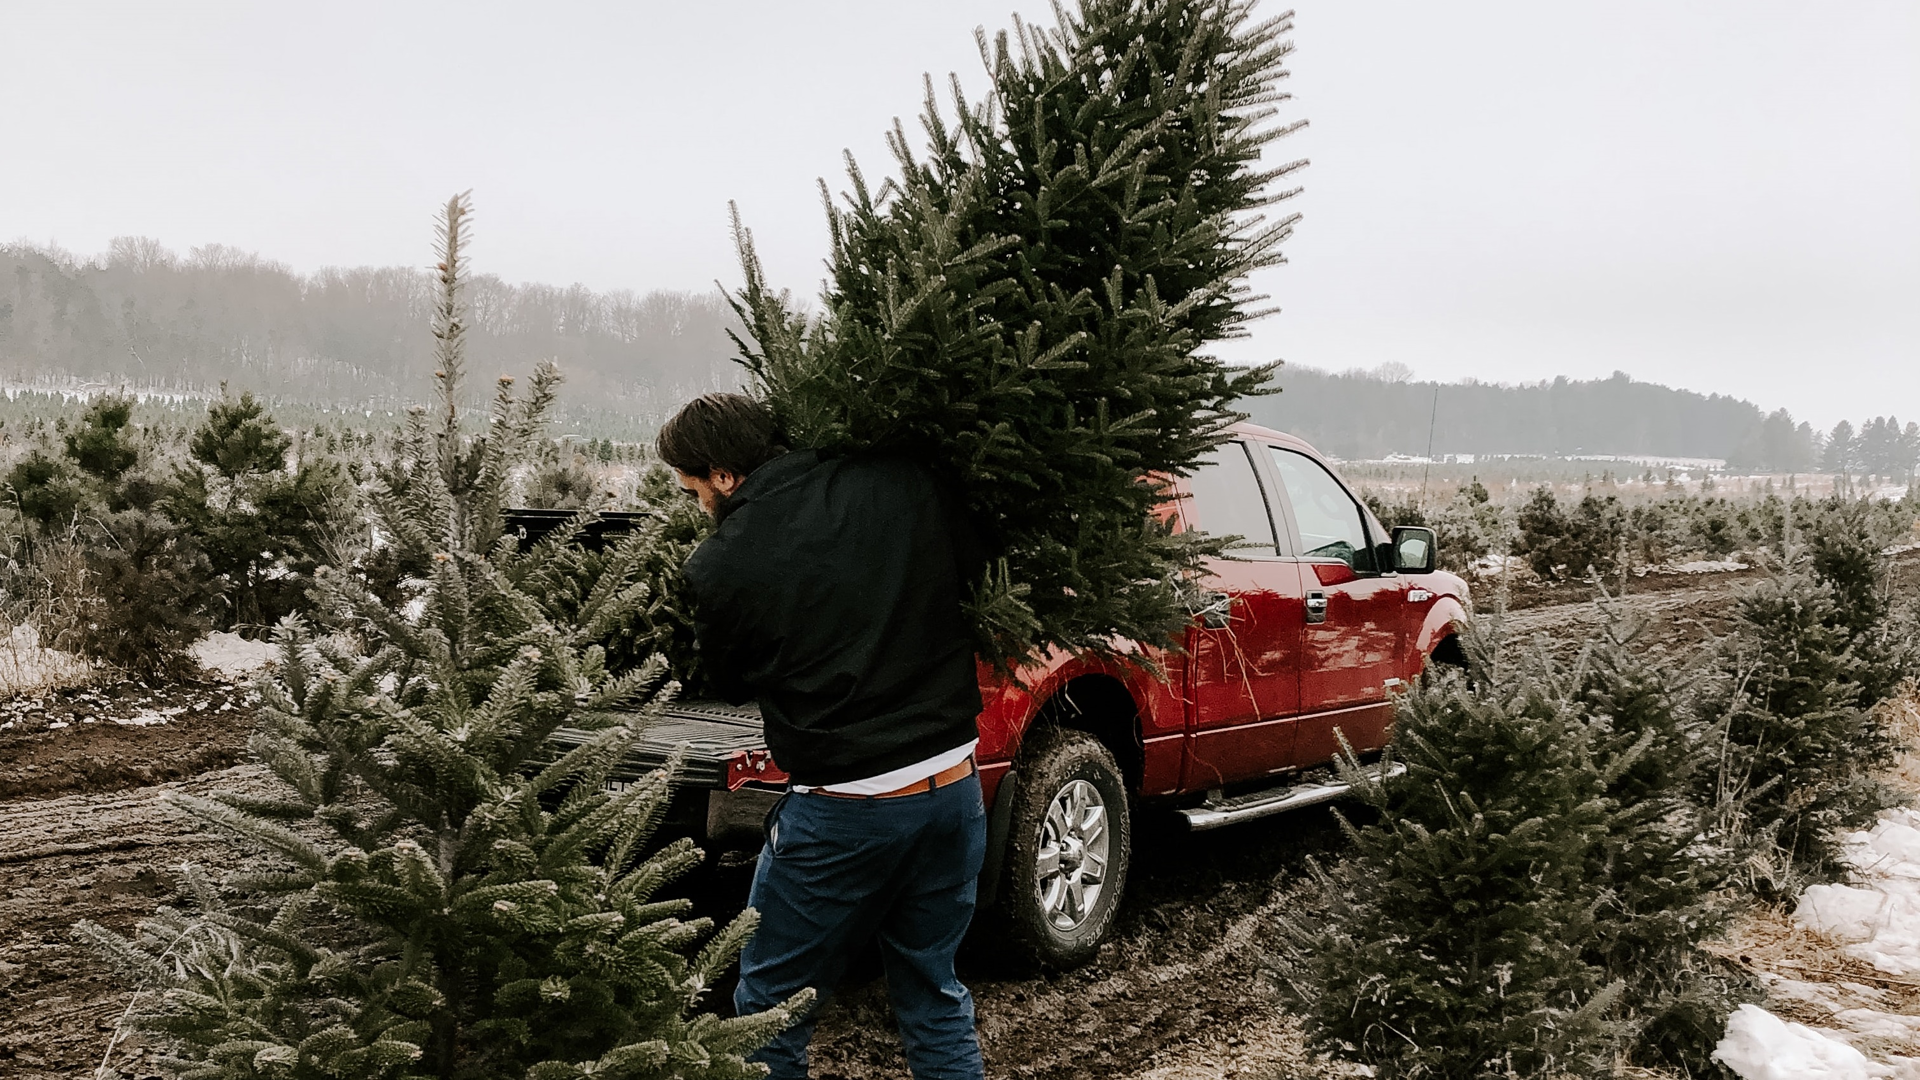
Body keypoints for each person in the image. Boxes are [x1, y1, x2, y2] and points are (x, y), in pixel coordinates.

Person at [657, 392, 987, 1080]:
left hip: (845, 810)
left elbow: (732, 676)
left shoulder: (722, 564)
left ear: (722, 475)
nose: (698, 507)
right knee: (933, 992)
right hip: (955, 789)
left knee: (770, 1008)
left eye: (694, 490)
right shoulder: (902, 480)